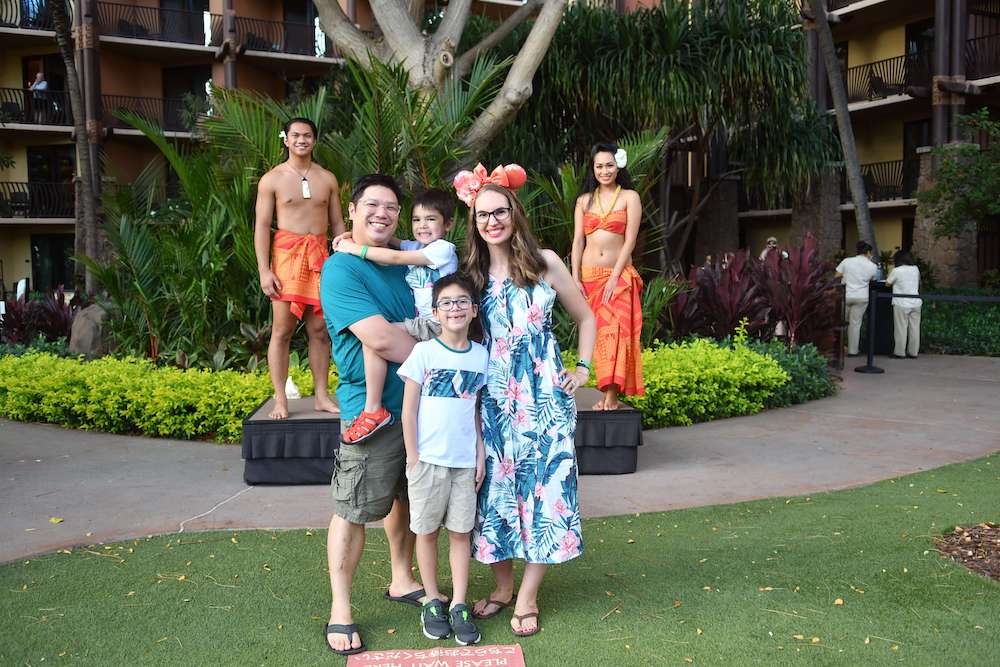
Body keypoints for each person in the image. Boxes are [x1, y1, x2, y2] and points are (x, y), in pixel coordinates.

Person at [456, 163, 597, 638]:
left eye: (499, 212)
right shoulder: (470, 274)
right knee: (492, 492)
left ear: (514, 213)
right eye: (482, 216)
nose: (492, 221)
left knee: (545, 491)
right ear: (474, 223)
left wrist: (582, 368)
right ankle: (502, 589)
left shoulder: (546, 263)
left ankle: (529, 597)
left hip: (544, 400)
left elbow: (587, 318)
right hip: (492, 401)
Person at [319, 174, 427, 655]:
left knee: (407, 496)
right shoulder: (341, 269)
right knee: (355, 506)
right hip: (374, 408)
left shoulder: (405, 258)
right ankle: (340, 608)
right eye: (372, 205)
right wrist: (440, 364)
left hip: (424, 404)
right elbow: (380, 339)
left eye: (390, 207)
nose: (381, 213)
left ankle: (402, 579)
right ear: (353, 207)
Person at [397, 273, 489, 646]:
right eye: (446, 303)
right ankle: (433, 599)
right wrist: (414, 458)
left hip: (465, 463)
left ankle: (460, 603)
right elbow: (408, 412)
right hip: (428, 463)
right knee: (426, 531)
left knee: (460, 532)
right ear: (435, 312)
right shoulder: (424, 353)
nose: (454, 308)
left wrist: (480, 453)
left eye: (461, 302)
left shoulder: (482, 356)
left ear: (473, 310)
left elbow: (478, 411)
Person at [334, 189, 459, 444]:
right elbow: (390, 241)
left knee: (379, 339)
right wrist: (350, 232)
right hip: (423, 323)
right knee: (374, 341)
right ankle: (373, 408)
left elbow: (393, 256)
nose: (422, 226)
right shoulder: (416, 245)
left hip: (440, 323)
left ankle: (372, 410)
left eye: (431, 219)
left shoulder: (443, 250)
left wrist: (352, 247)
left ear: (448, 224)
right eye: (416, 220)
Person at [254, 117, 344, 419]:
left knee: (320, 330)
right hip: (285, 257)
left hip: (319, 255)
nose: (301, 140)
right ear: (286, 140)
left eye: (307, 135)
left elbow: (337, 224)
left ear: (314, 140)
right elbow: (262, 226)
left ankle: (321, 394)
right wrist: (264, 271)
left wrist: (343, 260)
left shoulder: (327, 178)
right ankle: (280, 399)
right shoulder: (272, 179)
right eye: (296, 135)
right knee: (282, 330)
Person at [570, 142, 644, 411]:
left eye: (609, 165)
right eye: (599, 166)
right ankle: (604, 392)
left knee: (617, 334)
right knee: (599, 336)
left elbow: (630, 241)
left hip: (618, 276)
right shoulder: (583, 201)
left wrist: (614, 276)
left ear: (618, 166)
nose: (604, 170)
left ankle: (612, 396)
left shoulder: (629, 197)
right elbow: (578, 241)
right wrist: (574, 277)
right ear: (593, 169)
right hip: (589, 276)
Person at [835, 241, 878, 356]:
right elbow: (875, 279)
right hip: (861, 297)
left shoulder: (847, 261)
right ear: (868, 252)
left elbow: (836, 276)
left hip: (846, 295)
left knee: (841, 323)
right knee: (855, 324)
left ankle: (838, 348)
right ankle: (853, 351)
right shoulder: (872, 266)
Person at [886, 250, 921, 359]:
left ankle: (900, 352)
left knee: (901, 328)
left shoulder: (897, 270)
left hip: (901, 303)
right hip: (916, 302)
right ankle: (913, 352)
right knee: (915, 328)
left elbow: (887, 283)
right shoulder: (916, 269)